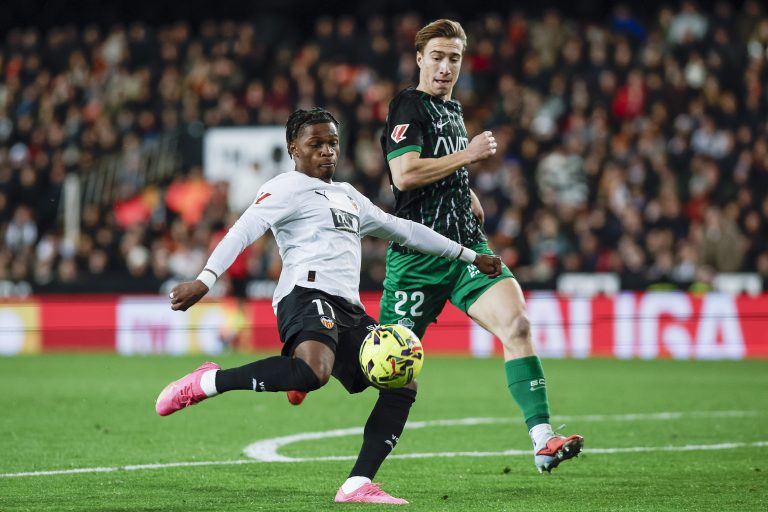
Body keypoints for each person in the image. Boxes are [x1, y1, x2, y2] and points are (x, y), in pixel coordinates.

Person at [156, 107, 502, 504]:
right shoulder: (285, 187)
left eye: (333, 143)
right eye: (316, 144)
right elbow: (243, 231)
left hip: (348, 308)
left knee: (403, 379)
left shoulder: (349, 196)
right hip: (305, 293)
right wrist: (205, 279)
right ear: (293, 148)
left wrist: (469, 255)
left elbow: (404, 230)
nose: (327, 151)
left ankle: (357, 484)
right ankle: (208, 382)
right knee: (313, 372)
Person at [378, 19, 583, 473]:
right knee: (384, 370)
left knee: (517, 325)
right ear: (419, 59)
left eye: (454, 58)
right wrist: (467, 156)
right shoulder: (408, 105)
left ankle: (543, 440)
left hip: (468, 250)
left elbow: (441, 167)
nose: (445, 67)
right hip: (418, 258)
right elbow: (405, 175)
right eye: (437, 57)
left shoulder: (453, 111)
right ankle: (310, 368)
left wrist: (464, 190)